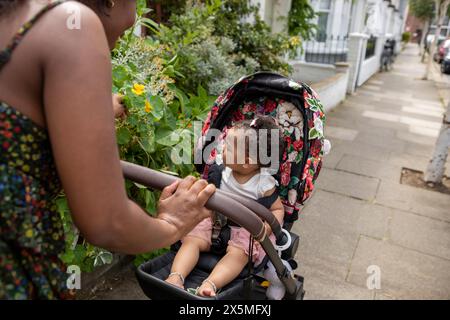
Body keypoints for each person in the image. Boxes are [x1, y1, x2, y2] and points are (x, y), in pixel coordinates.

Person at [0, 0, 215, 299]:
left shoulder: (16, 17)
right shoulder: (71, 23)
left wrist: (91, 107)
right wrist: (172, 224)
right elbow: (107, 223)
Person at [165, 116, 285, 297]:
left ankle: (210, 284)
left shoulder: (263, 184)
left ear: (246, 161)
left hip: (244, 229)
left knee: (239, 254)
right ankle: (176, 277)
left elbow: (278, 209)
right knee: (192, 240)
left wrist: (267, 228)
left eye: (228, 147)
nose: (221, 148)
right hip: (213, 221)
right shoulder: (219, 171)